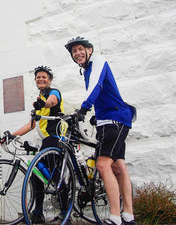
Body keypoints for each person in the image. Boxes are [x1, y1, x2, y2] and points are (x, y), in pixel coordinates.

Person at [64, 36, 136, 225]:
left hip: (114, 119)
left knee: (103, 165)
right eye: (74, 51)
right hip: (112, 118)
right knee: (118, 167)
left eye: (80, 49)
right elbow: (103, 93)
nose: (77, 53)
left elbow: (97, 86)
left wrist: (83, 109)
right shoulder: (88, 69)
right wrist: (96, 114)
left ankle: (115, 217)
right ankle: (128, 216)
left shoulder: (98, 61)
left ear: (89, 50)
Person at [1, 65, 69, 225]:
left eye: (44, 77)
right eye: (38, 77)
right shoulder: (38, 99)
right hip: (46, 140)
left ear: (50, 80)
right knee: (36, 173)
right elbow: (31, 125)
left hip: (56, 137)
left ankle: (66, 212)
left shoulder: (53, 93)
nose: (41, 79)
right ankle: (38, 212)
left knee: (55, 173)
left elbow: (52, 102)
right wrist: (12, 135)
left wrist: (43, 104)